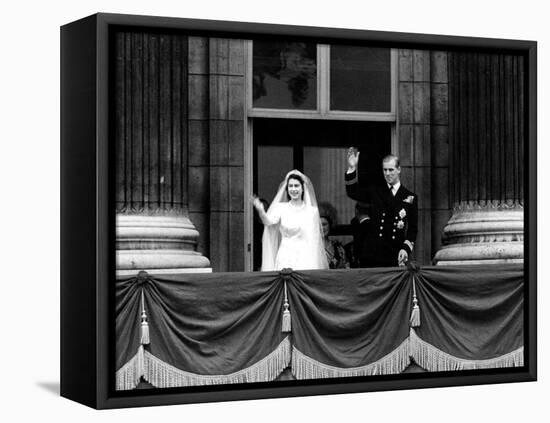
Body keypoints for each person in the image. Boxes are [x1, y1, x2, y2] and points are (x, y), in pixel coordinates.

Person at [344, 148, 418, 267]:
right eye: (385, 170)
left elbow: (412, 230)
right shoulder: (375, 191)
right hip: (373, 254)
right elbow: (352, 192)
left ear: (399, 169)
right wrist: (352, 168)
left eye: (391, 170)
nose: (387, 174)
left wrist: (405, 249)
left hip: (395, 253)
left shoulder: (410, 197)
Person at [253, 170, 328, 271]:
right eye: (290, 186)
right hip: (285, 257)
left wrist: (313, 262)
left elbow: (314, 240)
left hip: (305, 258)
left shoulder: (311, 211)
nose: (293, 189)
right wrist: (261, 210)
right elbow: (268, 222)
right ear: (287, 189)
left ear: (303, 188)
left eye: (296, 186)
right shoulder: (281, 208)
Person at [318, 202, 350, 269]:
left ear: (330, 225)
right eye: (319, 225)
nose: (322, 228)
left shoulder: (339, 249)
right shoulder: (310, 247)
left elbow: (347, 270)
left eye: (324, 224)